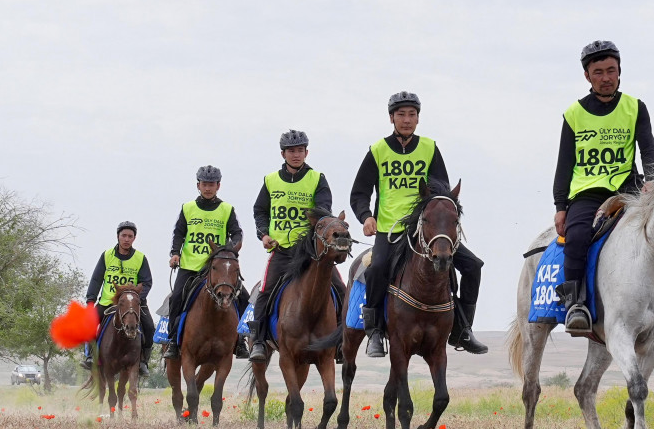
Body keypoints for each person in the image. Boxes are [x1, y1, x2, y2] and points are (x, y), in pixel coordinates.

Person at [553, 40, 654, 335]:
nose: (605, 77)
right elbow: (564, 164)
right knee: (576, 237)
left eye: (611, 70)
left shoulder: (635, 108)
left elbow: (648, 148)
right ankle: (576, 304)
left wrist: (652, 178)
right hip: (588, 192)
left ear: (619, 72)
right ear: (587, 76)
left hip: (629, 188)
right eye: (598, 71)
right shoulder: (573, 114)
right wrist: (560, 207)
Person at [350, 91, 488, 358]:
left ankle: (463, 328)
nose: (406, 120)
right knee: (377, 268)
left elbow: (442, 190)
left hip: (428, 229)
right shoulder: (378, 150)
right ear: (391, 118)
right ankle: (376, 331)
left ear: (418, 118)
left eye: (412, 114)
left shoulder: (429, 148)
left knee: (473, 267)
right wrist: (366, 216)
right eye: (401, 114)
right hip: (391, 230)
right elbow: (360, 192)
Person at [247, 130, 346, 363]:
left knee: (340, 289)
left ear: (306, 152)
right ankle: (259, 341)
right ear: (283, 153)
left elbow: (323, 211)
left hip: (310, 252)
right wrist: (263, 235)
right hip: (281, 250)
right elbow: (260, 211)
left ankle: (340, 342)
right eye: (291, 151)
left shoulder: (317, 179)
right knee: (265, 292)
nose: (296, 155)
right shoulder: (270, 180)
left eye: (300, 150)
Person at [164, 165, 248, 361]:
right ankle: (172, 343)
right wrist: (175, 253)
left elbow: (237, 233)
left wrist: (230, 250)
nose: (208, 188)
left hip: (217, 267)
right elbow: (179, 233)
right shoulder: (188, 208)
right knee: (176, 299)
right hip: (191, 266)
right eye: (204, 184)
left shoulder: (227, 209)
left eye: (211, 184)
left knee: (243, 296)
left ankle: (241, 340)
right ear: (198, 185)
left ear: (218, 186)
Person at [84, 221, 155, 375]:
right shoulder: (106, 255)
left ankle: (143, 361)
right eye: (124, 235)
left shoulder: (140, 258)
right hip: (108, 301)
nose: (126, 239)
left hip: (133, 303)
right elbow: (96, 279)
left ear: (134, 238)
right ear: (118, 236)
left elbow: (147, 282)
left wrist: (137, 298)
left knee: (149, 327)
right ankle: (90, 356)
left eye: (130, 236)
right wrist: (90, 300)